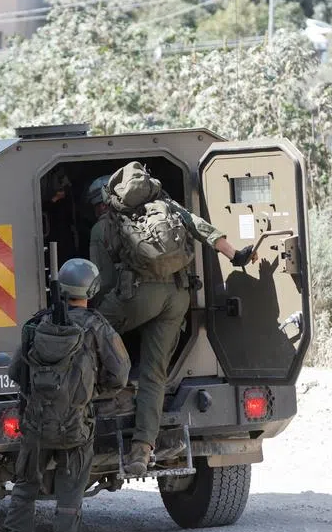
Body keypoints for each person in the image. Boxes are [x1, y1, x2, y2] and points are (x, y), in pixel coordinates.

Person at [91, 161, 254, 477]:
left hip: (136, 297)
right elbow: (207, 232)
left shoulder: (105, 225)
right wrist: (237, 255)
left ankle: (117, 393)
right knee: (155, 374)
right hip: (177, 297)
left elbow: (102, 284)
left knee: (88, 332)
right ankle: (142, 450)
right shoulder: (167, 207)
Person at [0, 258, 130, 532]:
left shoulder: (35, 324)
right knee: (70, 493)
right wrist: (87, 392)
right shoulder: (97, 326)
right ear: (92, 289)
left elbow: (17, 372)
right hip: (76, 426)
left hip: (35, 423)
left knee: (25, 486)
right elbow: (120, 374)